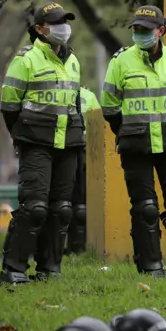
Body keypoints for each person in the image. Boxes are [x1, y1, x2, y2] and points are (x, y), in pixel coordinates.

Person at [101, 5, 166, 277]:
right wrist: (128, 132)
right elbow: (110, 107)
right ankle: (151, 267)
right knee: (145, 207)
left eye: (145, 30)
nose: (139, 33)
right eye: (135, 29)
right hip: (135, 144)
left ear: (161, 31)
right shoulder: (120, 61)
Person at [0, 1, 85, 284]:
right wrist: (23, 135)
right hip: (36, 143)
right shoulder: (25, 60)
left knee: (61, 209)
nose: (63, 28)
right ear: (39, 29)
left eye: (65, 22)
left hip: (67, 144)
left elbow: (75, 105)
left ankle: (49, 269)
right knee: (34, 207)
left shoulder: (73, 60)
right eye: (56, 23)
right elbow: (9, 107)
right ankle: (13, 270)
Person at [66, 85, 100, 254]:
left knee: (59, 204)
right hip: (84, 152)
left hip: (61, 151)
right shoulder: (90, 96)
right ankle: (77, 248)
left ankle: (52, 250)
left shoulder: (56, 92)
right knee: (79, 203)